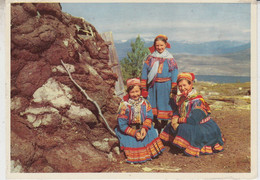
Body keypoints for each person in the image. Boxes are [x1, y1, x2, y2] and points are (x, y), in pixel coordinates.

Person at [160, 72, 225, 157]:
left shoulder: (198, 100)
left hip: (201, 126)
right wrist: (174, 118)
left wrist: (178, 121)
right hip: (188, 122)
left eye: (184, 85)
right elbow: (178, 110)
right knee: (170, 126)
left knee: (183, 128)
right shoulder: (183, 98)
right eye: (180, 86)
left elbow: (193, 120)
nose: (182, 88)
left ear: (191, 85)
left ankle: (186, 144)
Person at [115, 78, 165, 164]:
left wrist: (144, 129)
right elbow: (122, 125)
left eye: (137, 91)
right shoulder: (125, 106)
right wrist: (134, 133)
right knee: (133, 142)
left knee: (151, 133)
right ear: (128, 93)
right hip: (129, 130)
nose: (135, 94)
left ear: (141, 91)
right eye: (132, 92)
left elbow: (149, 117)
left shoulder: (145, 103)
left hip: (143, 128)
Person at [141, 34, 178, 133]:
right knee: (153, 106)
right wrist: (143, 86)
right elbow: (145, 71)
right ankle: (156, 124)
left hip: (166, 86)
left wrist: (174, 87)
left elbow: (174, 72)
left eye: (161, 45)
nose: (159, 47)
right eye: (157, 45)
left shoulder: (170, 59)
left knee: (166, 106)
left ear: (166, 45)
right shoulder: (150, 58)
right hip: (153, 87)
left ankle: (164, 126)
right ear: (154, 46)